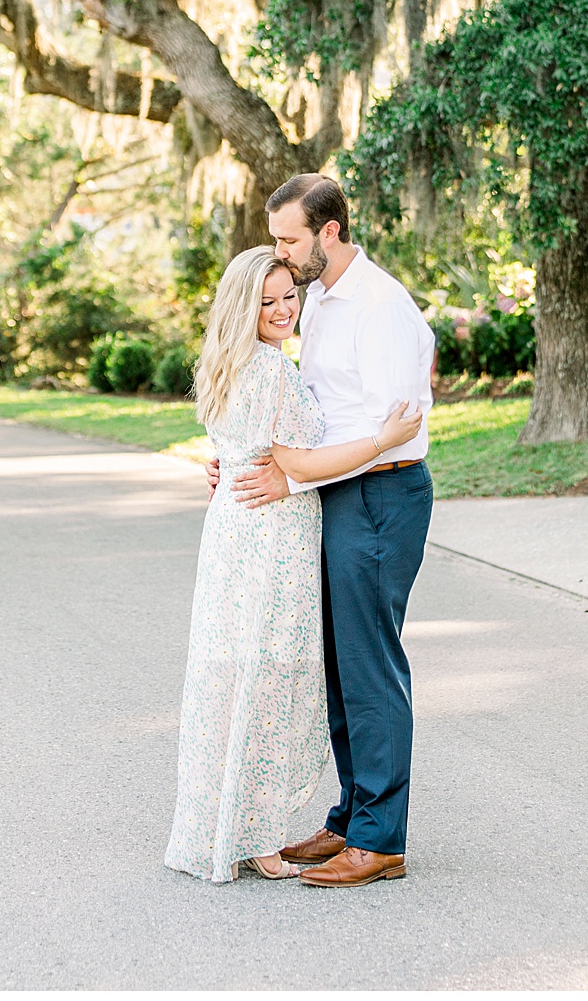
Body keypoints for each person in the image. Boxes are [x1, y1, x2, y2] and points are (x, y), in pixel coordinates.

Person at [165, 247, 422, 882]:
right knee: (267, 677)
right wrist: (382, 440)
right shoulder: (274, 370)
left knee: (244, 673)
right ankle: (263, 830)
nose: (284, 308)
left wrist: (238, 467)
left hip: (236, 535)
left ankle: (253, 825)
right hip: (271, 538)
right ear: (242, 308)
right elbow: (300, 464)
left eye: (288, 295)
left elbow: (249, 446)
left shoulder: (231, 364)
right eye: (268, 299)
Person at [219, 174, 436, 888]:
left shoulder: (376, 304)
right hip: (340, 491)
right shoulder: (324, 301)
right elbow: (314, 408)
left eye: (288, 237)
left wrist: (290, 476)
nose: (278, 249)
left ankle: (380, 840)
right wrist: (251, 459)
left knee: (370, 666)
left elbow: (384, 429)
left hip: (380, 493)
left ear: (329, 232)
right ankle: (350, 817)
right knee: (341, 665)